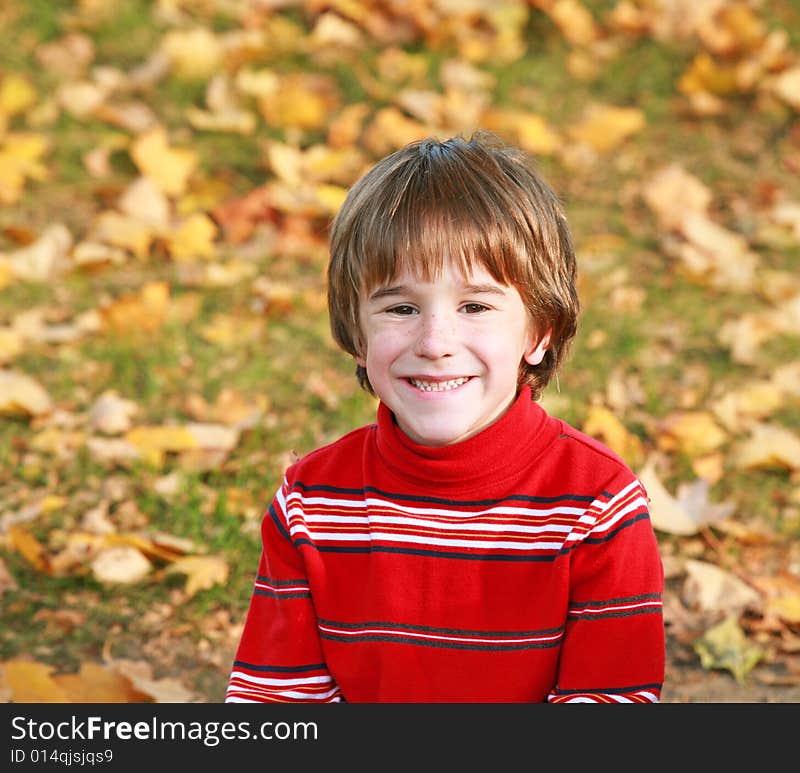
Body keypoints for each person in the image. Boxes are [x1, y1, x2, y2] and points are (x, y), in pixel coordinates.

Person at [225, 132, 665, 703]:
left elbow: (612, 701)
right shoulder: (312, 503)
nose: (436, 342)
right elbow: (279, 701)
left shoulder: (597, 503)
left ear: (538, 331)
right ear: (357, 333)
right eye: (401, 308)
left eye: (475, 307)